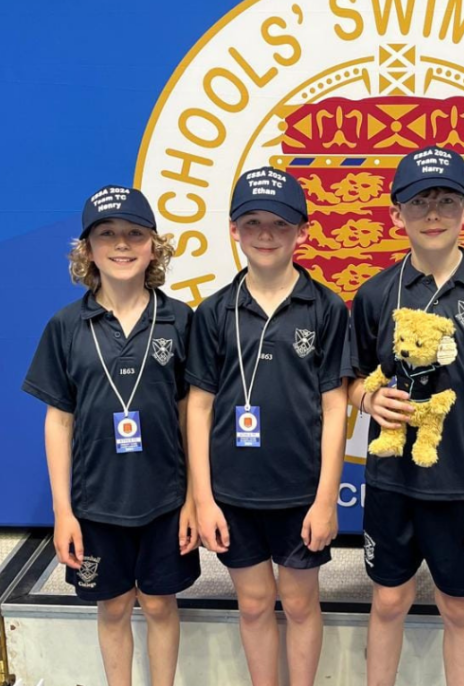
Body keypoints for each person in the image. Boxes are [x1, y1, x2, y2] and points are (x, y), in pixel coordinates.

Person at [347, 146, 464, 686]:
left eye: (447, 201)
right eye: (418, 201)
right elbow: (351, 382)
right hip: (391, 482)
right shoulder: (375, 293)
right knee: (388, 601)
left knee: (459, 608)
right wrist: (367, 401)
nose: (432, 214)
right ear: (395, 213)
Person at [22, 185, 199, 686]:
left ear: (153, 246)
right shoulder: (66, 326)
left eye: (134, 234)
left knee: (162, 604)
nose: (121, 245)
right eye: (107, 235)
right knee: (114, 606)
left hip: (165, 500)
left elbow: (191, 413)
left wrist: (192, 499)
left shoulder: (179, 320)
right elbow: (58, 422)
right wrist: (63, 512)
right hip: (96, 503)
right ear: (88, 250)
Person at [186, 167, 349, 686]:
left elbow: (336, 408)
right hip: (233, 492)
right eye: (251, 222)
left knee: (300, 603)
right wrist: (203, 499)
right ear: (233, 229)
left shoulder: (325, 307)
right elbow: (198, 408)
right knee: (255, 605)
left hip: (301, 492)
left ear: (302, 232)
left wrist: (326, 500)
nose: (264, 234)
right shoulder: (213, 313)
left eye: (278, 223)